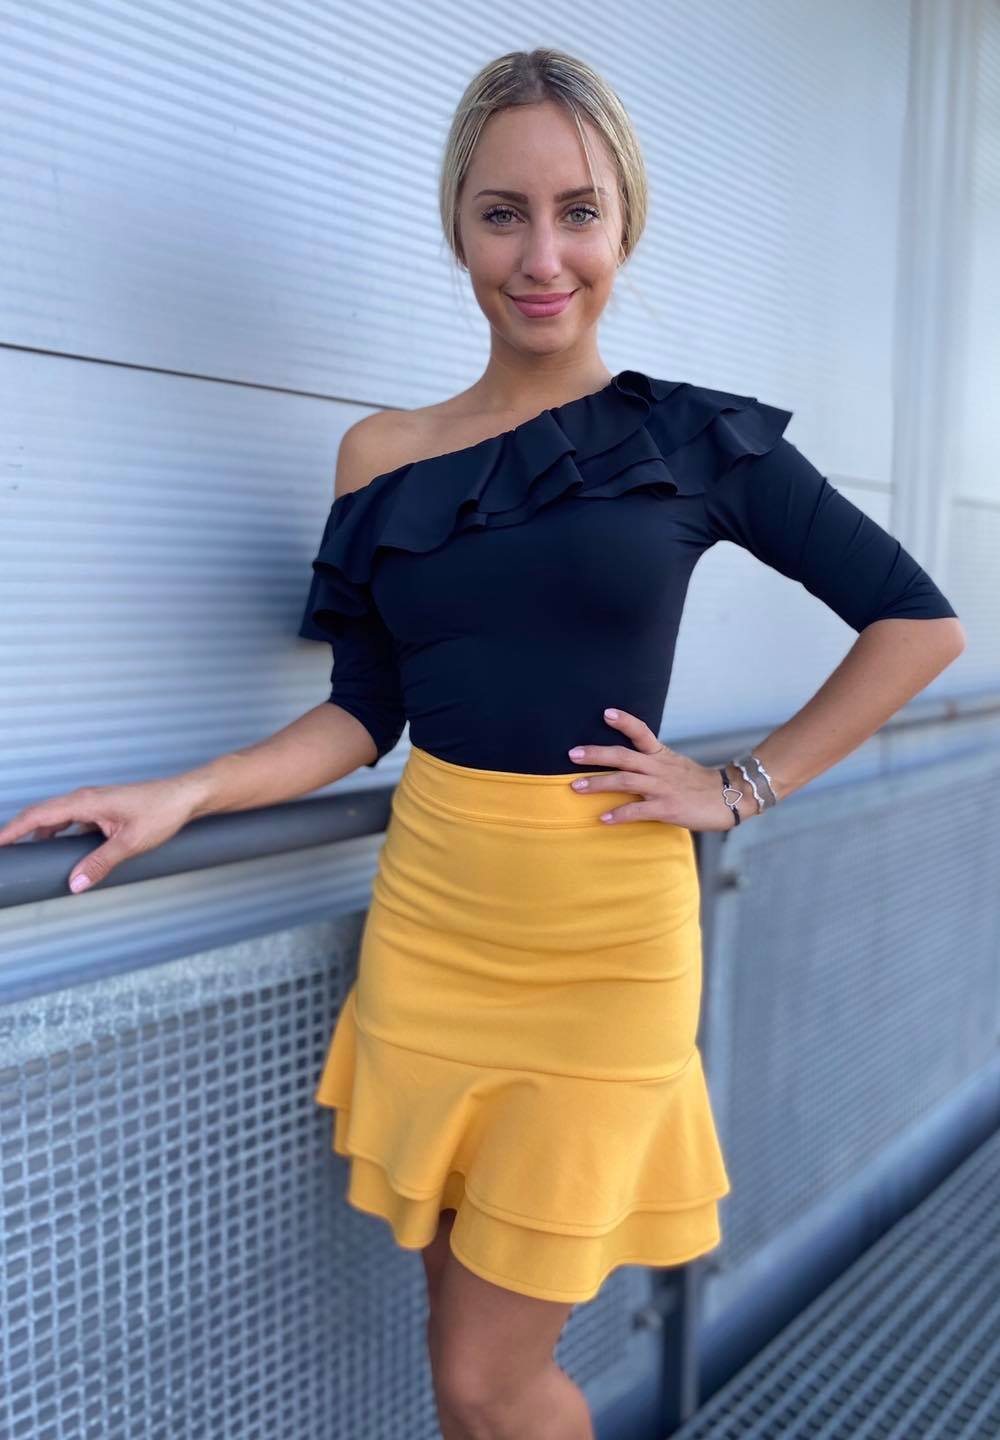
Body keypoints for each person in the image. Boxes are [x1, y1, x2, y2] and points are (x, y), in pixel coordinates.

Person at [0, 47, 965, 1440]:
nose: (541, 255)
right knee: (460, 1347)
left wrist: (744, 784)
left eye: (578, 212)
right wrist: (186, 792)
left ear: (625, 225)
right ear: (457, 225)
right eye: (503, 213)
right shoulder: (382, 457)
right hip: (434, 927)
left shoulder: (695, 440)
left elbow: (916, 624)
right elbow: (364, 712)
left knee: (485, 1379)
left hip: (603, 947)